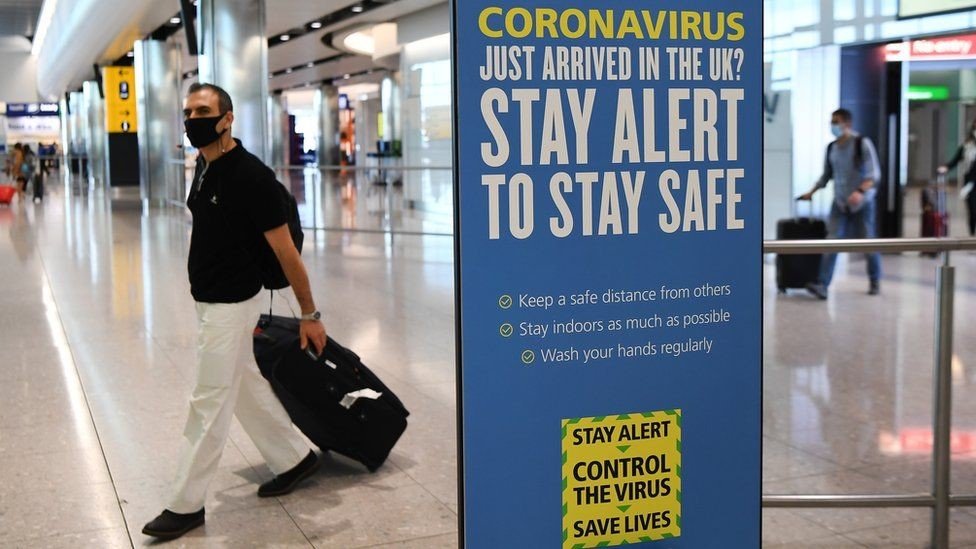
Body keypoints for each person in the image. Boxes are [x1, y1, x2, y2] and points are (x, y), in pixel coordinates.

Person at [142, 83, 327, 540]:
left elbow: (287, 254)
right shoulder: (205, 167)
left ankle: (185, 504)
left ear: (227, 118)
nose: (192, 118)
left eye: (202, 110)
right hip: (210, 299)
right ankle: (295, 458)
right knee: (241, 383)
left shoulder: (251, 178)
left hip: (232, 304)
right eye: (187, 111)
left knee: (208, 401)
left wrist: (311, 313)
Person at [799, 108, 883, 300]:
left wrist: (860, 192)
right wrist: (811, 192)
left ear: (847, 124)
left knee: (868, 240)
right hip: (839, 201)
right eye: (832, 121)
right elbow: (827, 175)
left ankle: (875, 280)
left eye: (836, 122)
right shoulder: (832, 148)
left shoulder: (862, 143)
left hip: (863, 202)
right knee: (832, 240)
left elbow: (874, 175)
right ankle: (823, 285)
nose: (833, 125)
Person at [938, 118, 976, 237]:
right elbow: (955, 160)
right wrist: (946, 167)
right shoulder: (967, 146)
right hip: (970, 183)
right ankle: (972, 237)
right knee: (972, 211)